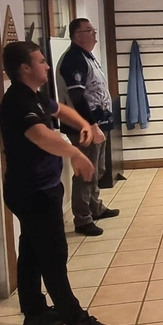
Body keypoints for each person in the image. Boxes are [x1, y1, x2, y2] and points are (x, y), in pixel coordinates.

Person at [0, 41, 116, 325]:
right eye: (41, 61)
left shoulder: (33, 95)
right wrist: (75, 154)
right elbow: (40, 135)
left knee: (31, 251)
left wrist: (84, 123)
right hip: (33, 191)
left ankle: (35, 312)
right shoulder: (17, 101)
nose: (47, 65)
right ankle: (75, 321)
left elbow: (59, 109)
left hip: (38, 189)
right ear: (25, 68)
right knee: (53, 255)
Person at [58, 18, 119, 236]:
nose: (94, 34)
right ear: (77, 36)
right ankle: (83, 218)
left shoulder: (87, 56)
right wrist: (91, 125)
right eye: (89, 30)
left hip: (98, 124)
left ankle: (95, 207)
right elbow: (77, 96)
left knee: (97, 169)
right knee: (86, 171)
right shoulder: (73, 59)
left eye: (94, 30)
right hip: (84, 127)